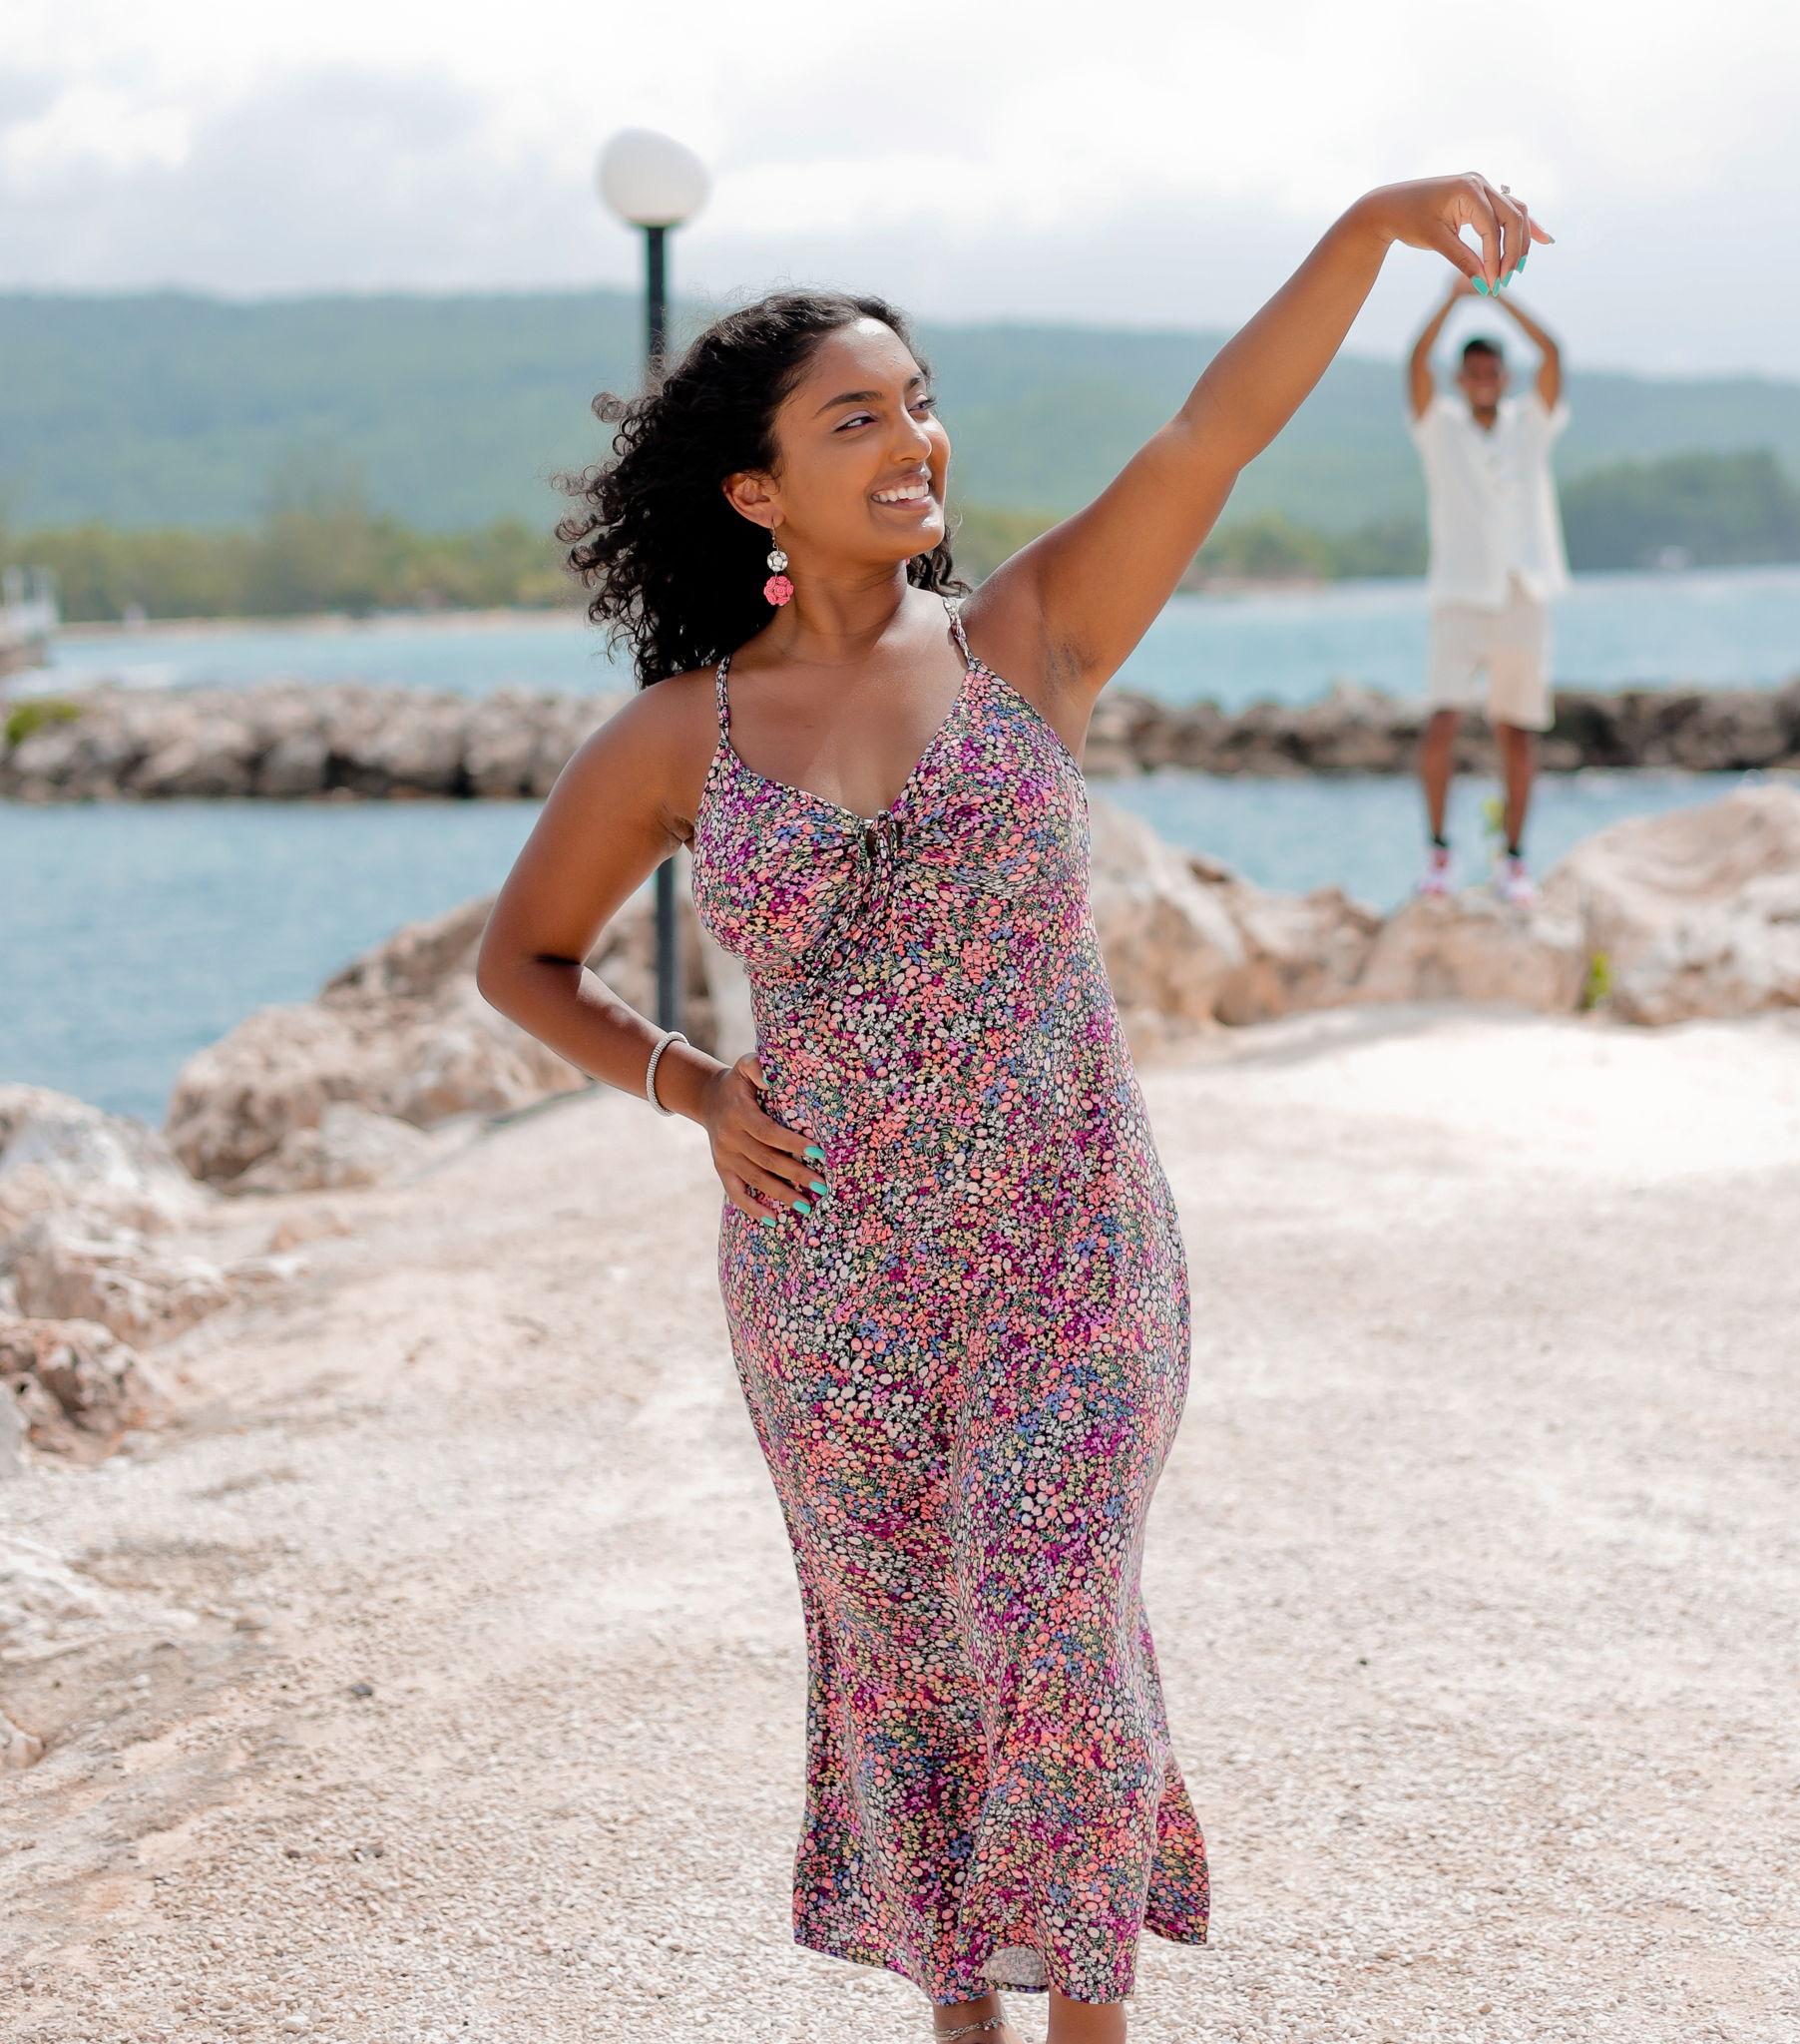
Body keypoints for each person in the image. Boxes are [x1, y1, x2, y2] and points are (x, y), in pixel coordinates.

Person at [474, 171, 1550, 2044]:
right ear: (755, 492)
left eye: (921, 403)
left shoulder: (1029, 637)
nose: (914, 441)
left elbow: (1208, 433)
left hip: (1069, 1244)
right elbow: (525, 959)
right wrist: (694, 1086)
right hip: (826, 1278)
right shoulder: (676, 736)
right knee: (906, 1663)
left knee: (1052, 1624)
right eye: (855, 419)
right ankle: (958, 2013)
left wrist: (1369, 234)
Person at [1405, 268, 1570, 906]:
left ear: (1504, 377)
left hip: (1523, 590)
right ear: (1460, 378)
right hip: (1458, 594)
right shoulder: (1439, 427)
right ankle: (1438, 855)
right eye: (1471, 372)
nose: (1481, 381)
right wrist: (1449, 301)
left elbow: (1551, 353)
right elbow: (1415, 364)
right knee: (1441, 723)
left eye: (1491, 371)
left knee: (1517, 731)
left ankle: (1515, 861)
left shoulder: (1531, 422)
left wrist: (1498, 296)